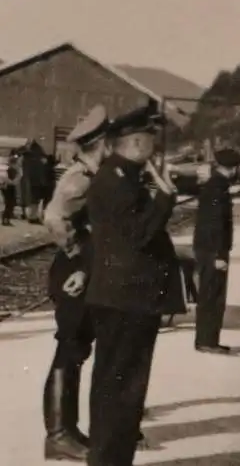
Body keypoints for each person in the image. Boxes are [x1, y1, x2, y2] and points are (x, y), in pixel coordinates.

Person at [85, 103, 177, 466]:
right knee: (122, 388)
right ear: (137, 143)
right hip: (127, 300)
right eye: (150, 140)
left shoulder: (120, 177)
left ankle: (110, 458)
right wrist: (166, 197)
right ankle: (110, 460)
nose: (154, 147)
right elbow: (138, 235)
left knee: (118, 385)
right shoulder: (117, 182)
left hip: (124, 297)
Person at [42, 105, 108, 462]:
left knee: (77, 349)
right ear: (99, 143)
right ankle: (58, 435)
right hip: (72, 274)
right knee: (69, 350)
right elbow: (53, 217)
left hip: (83, 271)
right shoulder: (79, 178)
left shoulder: (94, 175)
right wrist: (75, 249)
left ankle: (68, 428)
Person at [193, 147, 240, 355]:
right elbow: (215, 224)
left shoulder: (214, 185)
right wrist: (219, 255)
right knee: (213, 296)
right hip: (212, 251)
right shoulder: (218, 187)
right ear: (231, 169)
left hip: (207, 250)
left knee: (210, 294)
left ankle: (207, 339)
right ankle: (207, 341)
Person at [1, 151, 20, 226]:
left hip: (7, 188)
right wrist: (15, 180)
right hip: (9, 188)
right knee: (9, 204)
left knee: (9, 204)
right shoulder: (11, 170)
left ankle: (6, 219)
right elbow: (11, 181)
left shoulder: (10, 169)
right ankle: (5, 219)